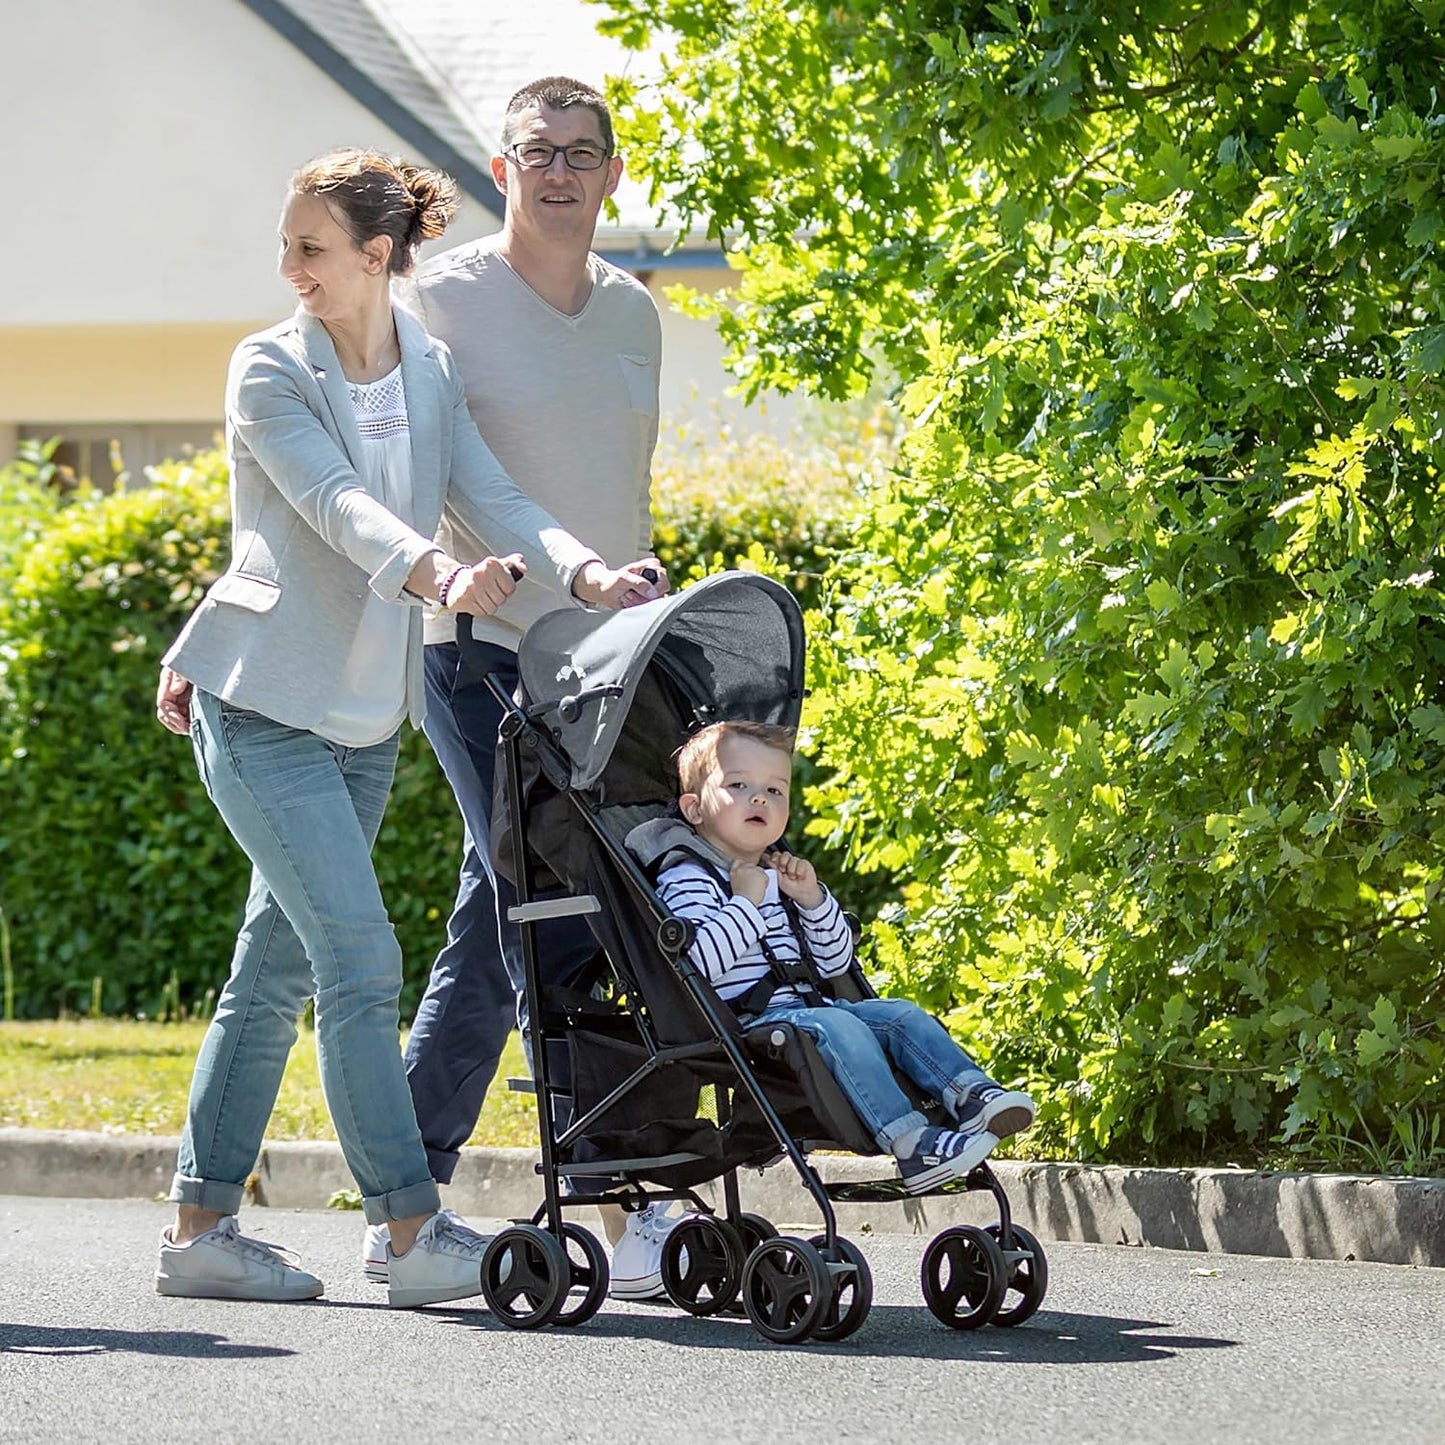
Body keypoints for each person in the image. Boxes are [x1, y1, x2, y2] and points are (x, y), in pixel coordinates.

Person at [151, 147, 647, 1309]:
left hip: (366, 720)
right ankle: (406, 1225)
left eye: (310, 248)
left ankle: (198, 1231)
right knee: (363, 963)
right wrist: (436, 571)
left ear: (377, 256)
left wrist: (584, 575)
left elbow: (494, 489)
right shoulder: (268, 366)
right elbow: (335, 504)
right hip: (260, 701)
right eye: (288, 247)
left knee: (271, 972)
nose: (289, 268)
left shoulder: (424, 363)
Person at [372, 75, 677, 1299]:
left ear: (611, 171)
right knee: (545, 902)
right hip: (478, 649)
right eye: (534, 151)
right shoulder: (434, 298)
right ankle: (622, 1187)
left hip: (605, 659)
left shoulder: (636, 314)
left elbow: (620, 484)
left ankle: (404, 1192)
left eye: (580, 151)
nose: (558, 170)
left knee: (500, 922)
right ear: (500, 171)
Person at [649, 721, 1037, 1195]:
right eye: (739, 785)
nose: (760, 799)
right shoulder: (687, 878)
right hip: (749, 1025)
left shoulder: (777, 874)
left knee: (898, 1015)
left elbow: (833, 965)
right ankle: (911, 1141)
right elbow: (699, 969)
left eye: (775, 789)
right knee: (843, 1026)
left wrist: (811, 900)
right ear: (693, 808)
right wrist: (745, 904)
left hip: (812, 1010)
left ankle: (971, 1097)